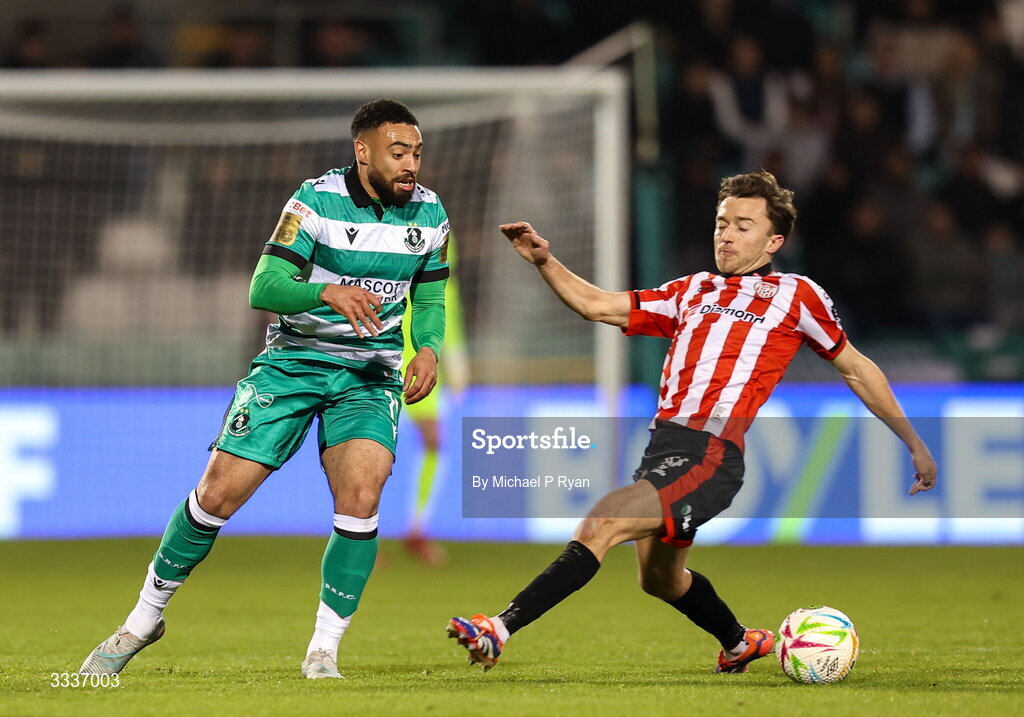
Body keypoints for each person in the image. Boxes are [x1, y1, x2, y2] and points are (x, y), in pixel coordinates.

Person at [447, 171, 937, 673]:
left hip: (710, 453)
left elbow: (855, 367)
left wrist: (912, 440)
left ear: (774, 241)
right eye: (722, 222)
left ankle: (498, 629)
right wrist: (546, 261)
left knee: (603, 522)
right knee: (659, 580)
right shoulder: (692, 290)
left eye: (743, 226)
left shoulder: (795, 295)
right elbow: (599, 306)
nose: (726, 234)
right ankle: (740, 642)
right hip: (664, 448)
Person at [80, 99, 451, 680]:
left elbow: (429, 298)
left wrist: (428, 348)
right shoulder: (313, 201)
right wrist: (324, 293)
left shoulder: (430, 214)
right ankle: (141, 621)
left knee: (362, 497)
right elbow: (266, 286)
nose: (411, 165)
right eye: (398, 153)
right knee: (216, 497)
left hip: (369, 374)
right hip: (292, 363)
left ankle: (323, 650)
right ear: (363, 151)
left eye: (417, 153)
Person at [400, 247, 468, 565]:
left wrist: (457, 364)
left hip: (420, 365)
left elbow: (447, 321)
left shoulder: (442, 281)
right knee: (365, 444)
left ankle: (417, 528)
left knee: (434, 441)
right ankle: (356, 532)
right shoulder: (389, 268)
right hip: (380, 361)